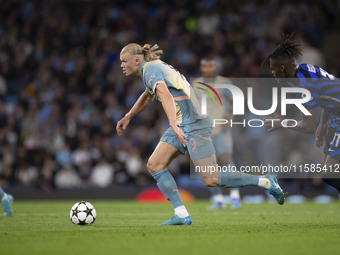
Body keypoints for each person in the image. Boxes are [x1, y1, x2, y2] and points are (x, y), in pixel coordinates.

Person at [116, 43, 284, 225]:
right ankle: (181, 215)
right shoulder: (151, 69)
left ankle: (266, 181)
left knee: (211, 179)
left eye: (124, 61)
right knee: (155, 164)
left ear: (137, 60)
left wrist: (172, 123)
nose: (122, 65)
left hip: (193, 123)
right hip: (183, 123)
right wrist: (128, 116)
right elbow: (149, 96)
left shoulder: (150, 68)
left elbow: (163, 93)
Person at [262, 33, 340, 193]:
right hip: (334, 117)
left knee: (330, 175)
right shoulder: (305, 69)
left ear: (282, 68)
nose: (272, 74)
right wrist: (323, 123)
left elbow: (307, 126)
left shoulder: (302, 84)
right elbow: (330, 94)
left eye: (273, 69)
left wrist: (281, 123)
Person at [192, 56, 241, 210]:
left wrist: (230, 118)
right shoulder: (195, 84)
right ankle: (218, 199)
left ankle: (235, 197)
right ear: (201, 68)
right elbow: (193, 106)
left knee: (226, 160)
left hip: (221, 129)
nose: (207, 69)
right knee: (207, 165)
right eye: (205, 66)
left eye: (210, 66)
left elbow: (236, 102)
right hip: (203, 131)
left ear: (216, 67)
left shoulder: (225, 83)